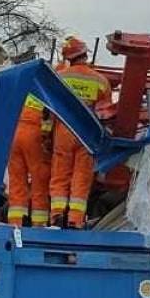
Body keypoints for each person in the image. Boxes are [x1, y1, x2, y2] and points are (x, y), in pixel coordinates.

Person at [48, 35, 113, 228]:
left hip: (64, 131)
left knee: (60, 175)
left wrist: (47, 134)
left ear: (68, 57)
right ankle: (75, 220)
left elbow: (50, 109)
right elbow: (105, 114)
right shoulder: (100, 81)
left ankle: (57, 215)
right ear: (85, 54)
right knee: (81, 178)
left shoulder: (59, 78)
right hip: (87, 134)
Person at [5, 55, 53, 227]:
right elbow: (49, 120)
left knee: (17, 181)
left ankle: (15, 223)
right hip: (33, 134)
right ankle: (38, 225)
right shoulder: (43, 89)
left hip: (12, 135)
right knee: (39, 180)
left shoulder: (17, 86)